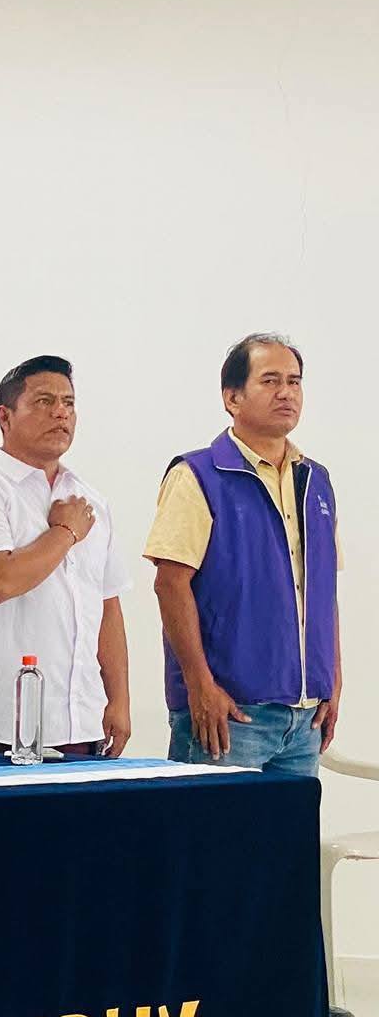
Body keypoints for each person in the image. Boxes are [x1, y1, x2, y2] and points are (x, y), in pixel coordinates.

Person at [147, 333, 341, 778]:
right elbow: (170, 584)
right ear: (231, 398)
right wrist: (200, 686)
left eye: (294, 381)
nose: (286, 392)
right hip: (229, 715)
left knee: (288, 829)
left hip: (305, 720)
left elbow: (322, 591)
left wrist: (332, 681)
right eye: (270, 381)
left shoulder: (316, 481)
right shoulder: (198, 475)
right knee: (214, 827)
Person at [0, 356, 131, 758]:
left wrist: (119, 701)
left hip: (79, 721)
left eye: (69, 402)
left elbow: (107, 606)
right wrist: (65, 533)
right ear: (4, 417)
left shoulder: (90, 499)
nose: (60, 412)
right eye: (44, 401)